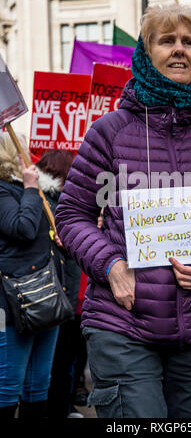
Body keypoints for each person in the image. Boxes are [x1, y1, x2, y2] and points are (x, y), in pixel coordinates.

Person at [55, 3, 191, 418]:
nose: (179, 50)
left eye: (189, 42)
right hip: (122, 321)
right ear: (146, 53)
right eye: (167, 41)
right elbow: (71, 214)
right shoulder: (108, 133)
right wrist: (110, 265)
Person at [0, 134, 62, 418]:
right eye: (21, 146)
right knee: (7, 387)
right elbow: (23, 228)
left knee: (38, 386)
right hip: (10, 305)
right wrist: (29, 188)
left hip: (45, 297)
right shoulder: (4, 191)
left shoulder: (31, 189)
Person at [33, 150, 83, 419]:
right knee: (59, 361)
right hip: (60, 296)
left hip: (57, 296)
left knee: (58, 361)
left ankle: (60, 407)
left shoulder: (65, 205)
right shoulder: (45, 205)